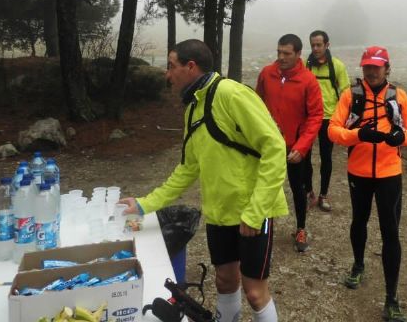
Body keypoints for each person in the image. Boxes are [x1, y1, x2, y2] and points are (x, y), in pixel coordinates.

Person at [119, 39, 288, 322]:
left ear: (191, 66)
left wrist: (256, 211)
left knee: (255, 292)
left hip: (253, 211)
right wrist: (144, 204)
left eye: (171, 66)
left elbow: (275, 148)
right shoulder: (193, 108)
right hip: (220, 213)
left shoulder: (231, 94)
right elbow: (187, 169)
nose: (167, 74)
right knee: (224, 280)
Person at [328, 46, 407, 322]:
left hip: (390, 173)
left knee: (390, 232)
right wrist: (358, 135)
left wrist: (399, 138)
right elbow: (333, 130)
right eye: (367, 66)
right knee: (359, 221)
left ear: (386, 68)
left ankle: (392, 298)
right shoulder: (351, 96)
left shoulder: (398, 96)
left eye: (377, 66)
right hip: (359, 172)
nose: (372, 70)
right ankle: (358, 265)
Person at [256, 34, 323, 252]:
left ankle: (301, 228)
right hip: (268, 143)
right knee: (263, 184)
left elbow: (315, 117)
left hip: (294, 145)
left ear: (298, 54)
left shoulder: (308, 80)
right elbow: (256, 104)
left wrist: (301, 147)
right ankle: (258, 223)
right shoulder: (267, 73)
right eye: (279, 52)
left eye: (286, 53)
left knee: (297, 187)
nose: (281, 57)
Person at [304, 30, 350, 212]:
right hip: (307, 118)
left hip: (328, 118)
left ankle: (323, 194)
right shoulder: (304, 65)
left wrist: (343, 118)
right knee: (304, 158)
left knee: (326, 157)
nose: (315, 48)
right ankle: (308, 193)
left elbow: (346, 94)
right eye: (313, 45)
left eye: (319, 45)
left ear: (327, 45)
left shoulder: (337, 66)